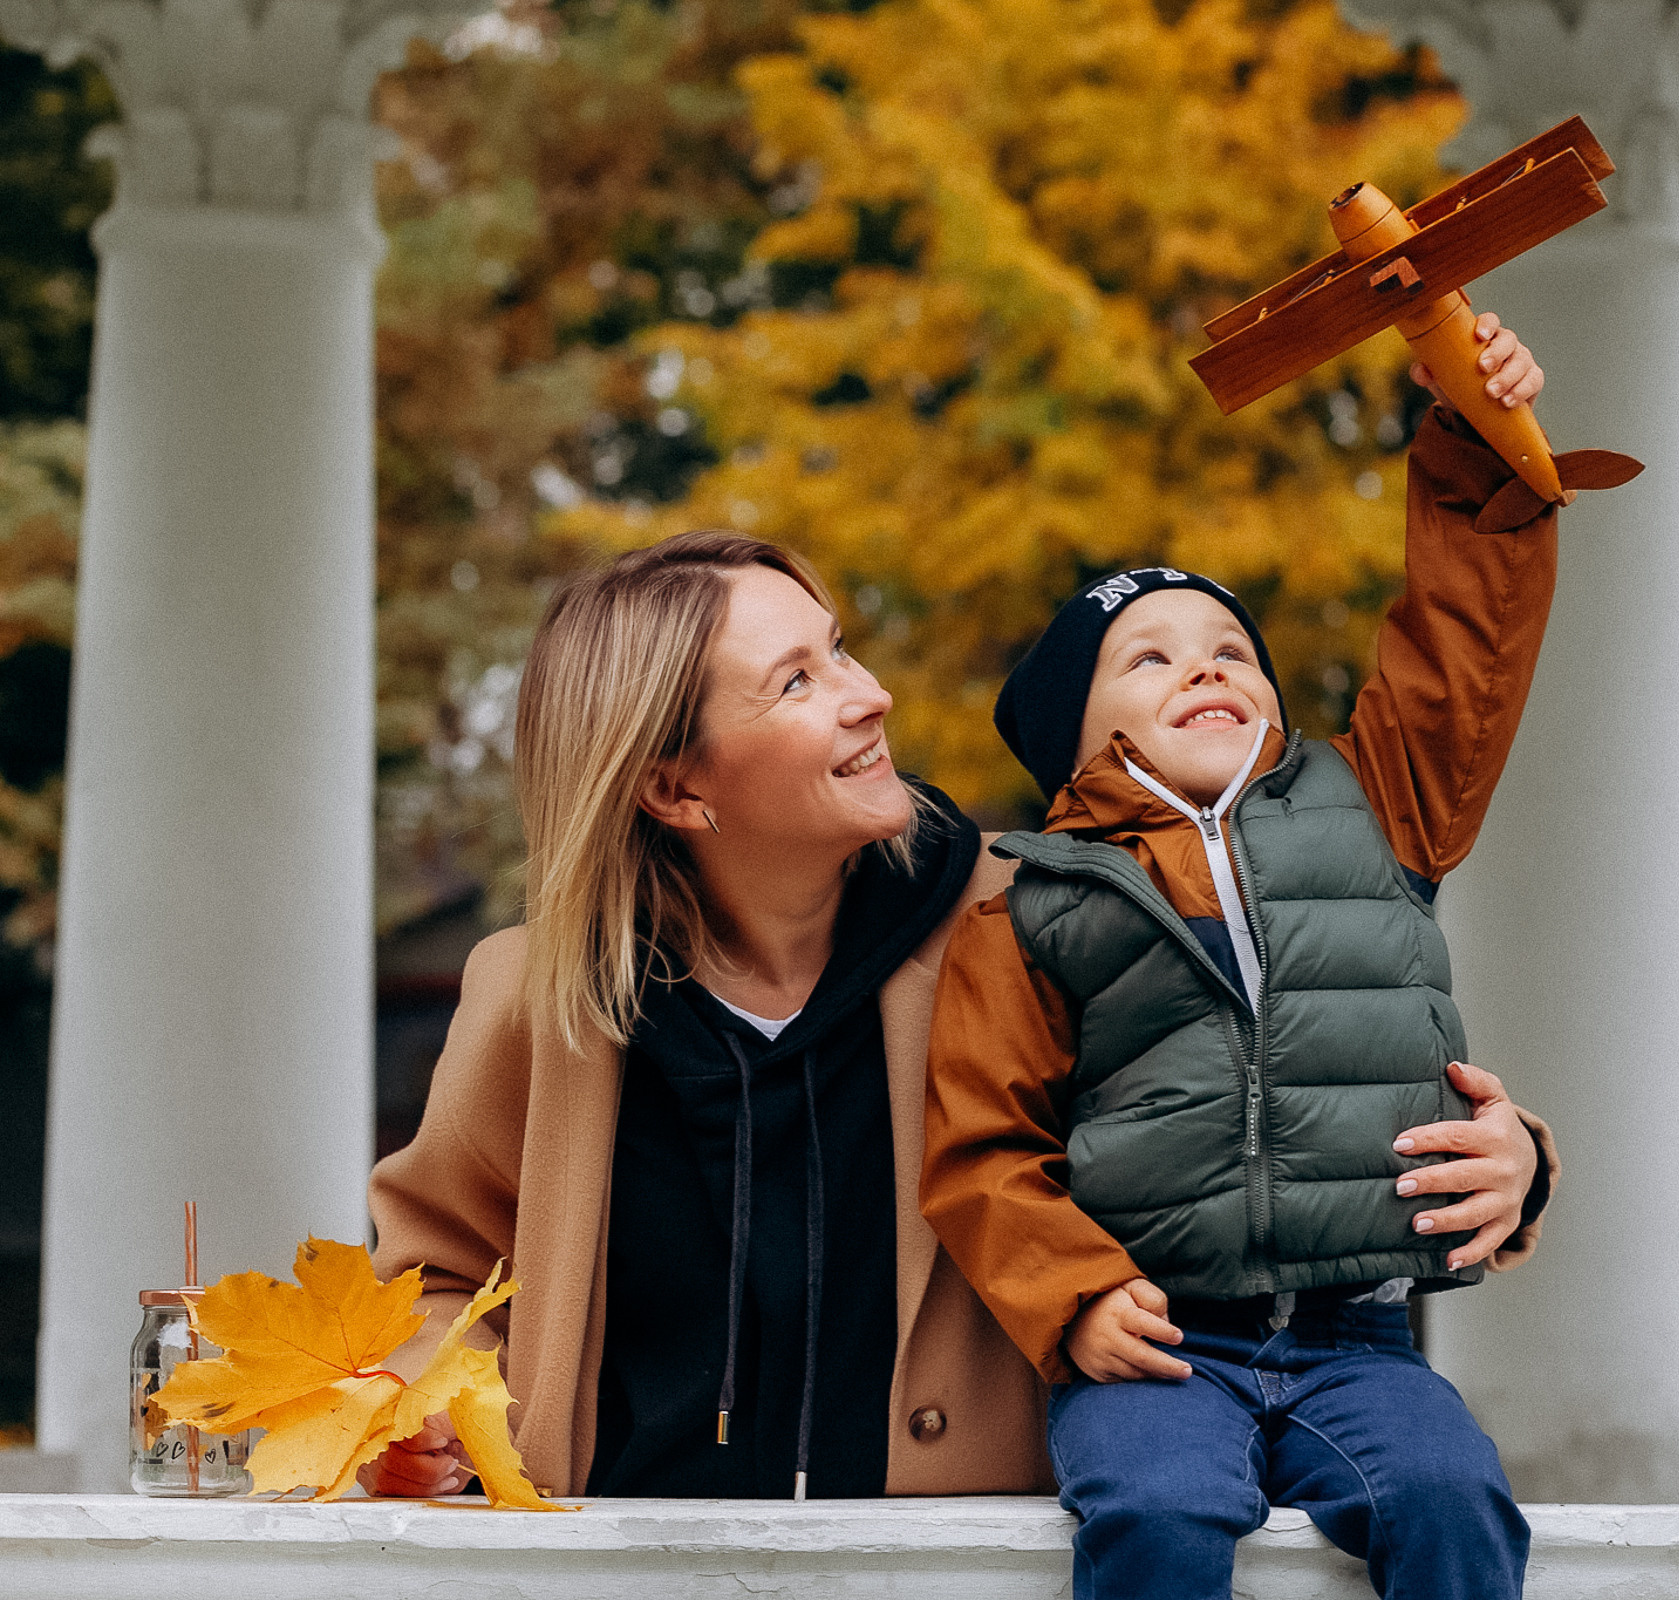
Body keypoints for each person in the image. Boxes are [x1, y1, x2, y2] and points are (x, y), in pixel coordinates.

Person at [360, 523, 1554, 1500]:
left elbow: (1274, 1090)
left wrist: (1515, 1164)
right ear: (672, 783)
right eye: (798, 681)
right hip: (625, 1577)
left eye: (840, 651)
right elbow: (436, 1274)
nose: (870, 695)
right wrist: (437, 1414)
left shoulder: (1040, 919)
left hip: (961, 1568)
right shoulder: (536, 995)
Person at [921, 314, 1562, 1596]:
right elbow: (984, 1148)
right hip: (1160, 1332)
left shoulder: (1376, 807)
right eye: (1148, 658)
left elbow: (1460, 648)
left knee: (1453, 1496)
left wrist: (1478, 442)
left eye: (1230, 652)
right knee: (1155, 1514)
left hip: (1359, 1334)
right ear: (1079, 742)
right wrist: (1076, 1297)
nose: (1204, 667)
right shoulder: (1032, 898)